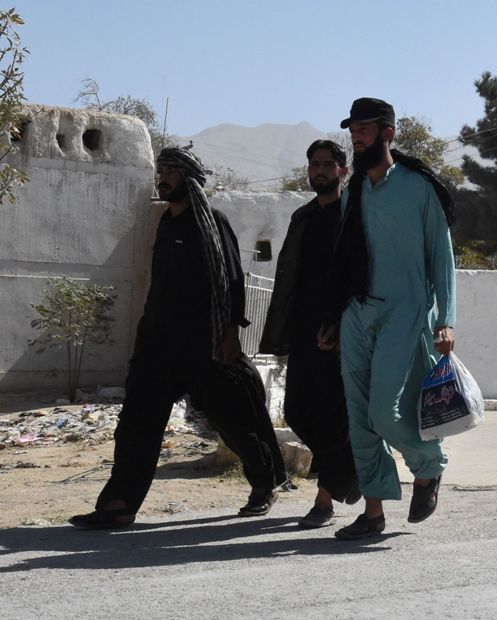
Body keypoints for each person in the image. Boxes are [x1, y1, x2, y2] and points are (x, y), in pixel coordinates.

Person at [70, 146, 285, 529]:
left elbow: (233, 280)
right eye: (161, 170)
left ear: (189, 178)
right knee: (137, 423)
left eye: (171, 171)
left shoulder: (213, 222)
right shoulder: (166, 224)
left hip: (205, 344)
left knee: (235, 420)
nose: (163, 177)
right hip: (158, 344)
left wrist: (231, 333)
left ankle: (265, 483)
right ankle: (119, 505)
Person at [326, 98, 456, 540]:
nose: (356, 137)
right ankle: (373, 511)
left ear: (387, 134)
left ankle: (429, 465)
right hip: (357, 312)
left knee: (383, 412)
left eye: (364, 129)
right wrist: (334, 315)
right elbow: (344, 259)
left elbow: (441, 256)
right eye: (352, 130)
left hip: (406, 309)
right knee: (359, 417)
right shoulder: (354, 190)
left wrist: (446, 318)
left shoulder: (418, 187)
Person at [258, 140, 361, 529]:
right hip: (304, 330)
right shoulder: (302, 217)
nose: (319, 171)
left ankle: (325, 500)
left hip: (344, 332)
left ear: (342, 171)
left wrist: (340, 322)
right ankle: (348, 469)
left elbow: (358, 275)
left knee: (332, 415)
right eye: (314, 164)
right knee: (298, 411)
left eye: (327, 165)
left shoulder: (354, 216)